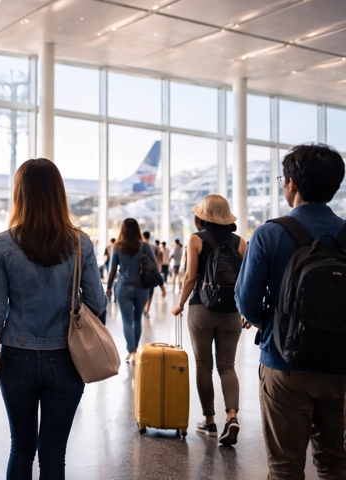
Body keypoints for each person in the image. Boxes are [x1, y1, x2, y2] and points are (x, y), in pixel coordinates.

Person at [0, 159, 107, 479]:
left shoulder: (4, 243)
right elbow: (98, 302)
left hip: (17, 357)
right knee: (53, 454)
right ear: (58, 194)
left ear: (20, 194)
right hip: (66, 359)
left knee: (21, 447)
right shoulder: (80, 242)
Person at [235, 143, 346, 477]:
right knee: (335, 463)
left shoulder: (270, 234)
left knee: (284, 467)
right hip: (340, 365)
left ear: (292, 184)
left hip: (284, 362)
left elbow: (247, 302)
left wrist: (277, 325)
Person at [170, 195, 246, 445]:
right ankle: (232, 416)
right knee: (228, 366)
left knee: (204, 365)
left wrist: (180, 304)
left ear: (202, 216)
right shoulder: (240, 242)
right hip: (232, 311)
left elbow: (191, 276)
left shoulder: (196, 239)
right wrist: (246, 311)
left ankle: (210, 421)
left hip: (201, 308)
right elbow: (245, 281)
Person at [107, 219, 166, 363]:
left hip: (123, 287)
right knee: (137, 319)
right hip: (142, 288)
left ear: (123, 230)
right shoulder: (145, 246)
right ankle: (135, 350)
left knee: (127, 321)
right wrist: (162, 285)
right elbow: (155, 268)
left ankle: (131, 352)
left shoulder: (117, 247)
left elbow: (113, 270)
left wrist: (108, 287)